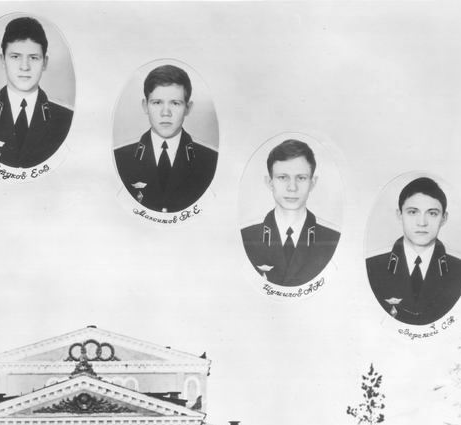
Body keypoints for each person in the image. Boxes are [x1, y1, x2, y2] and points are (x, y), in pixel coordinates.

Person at [0, 16, 73, 168]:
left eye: (34, 58)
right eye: (15, 57)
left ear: (45, 62)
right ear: (3, 60)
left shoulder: (65, 118)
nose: (24, 67)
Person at [114, 64, 217, 213]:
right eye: (157, 103)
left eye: (175, 103)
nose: (165, 113)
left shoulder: (209, 160)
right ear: (145, 106)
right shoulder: (121, 158)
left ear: (188, 108)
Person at [366, 177, 461, 325]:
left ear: (444, 218)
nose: (422, 223)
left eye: (432, 213)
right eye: (413, 212)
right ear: (399, 215)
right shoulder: (373, 267)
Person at [241, 139, 341, 286]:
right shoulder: (247, 237)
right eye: (282, 177)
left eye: (301, 178)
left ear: (312, 183)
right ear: (269, 182)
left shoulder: (332, 238)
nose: (292, 188)